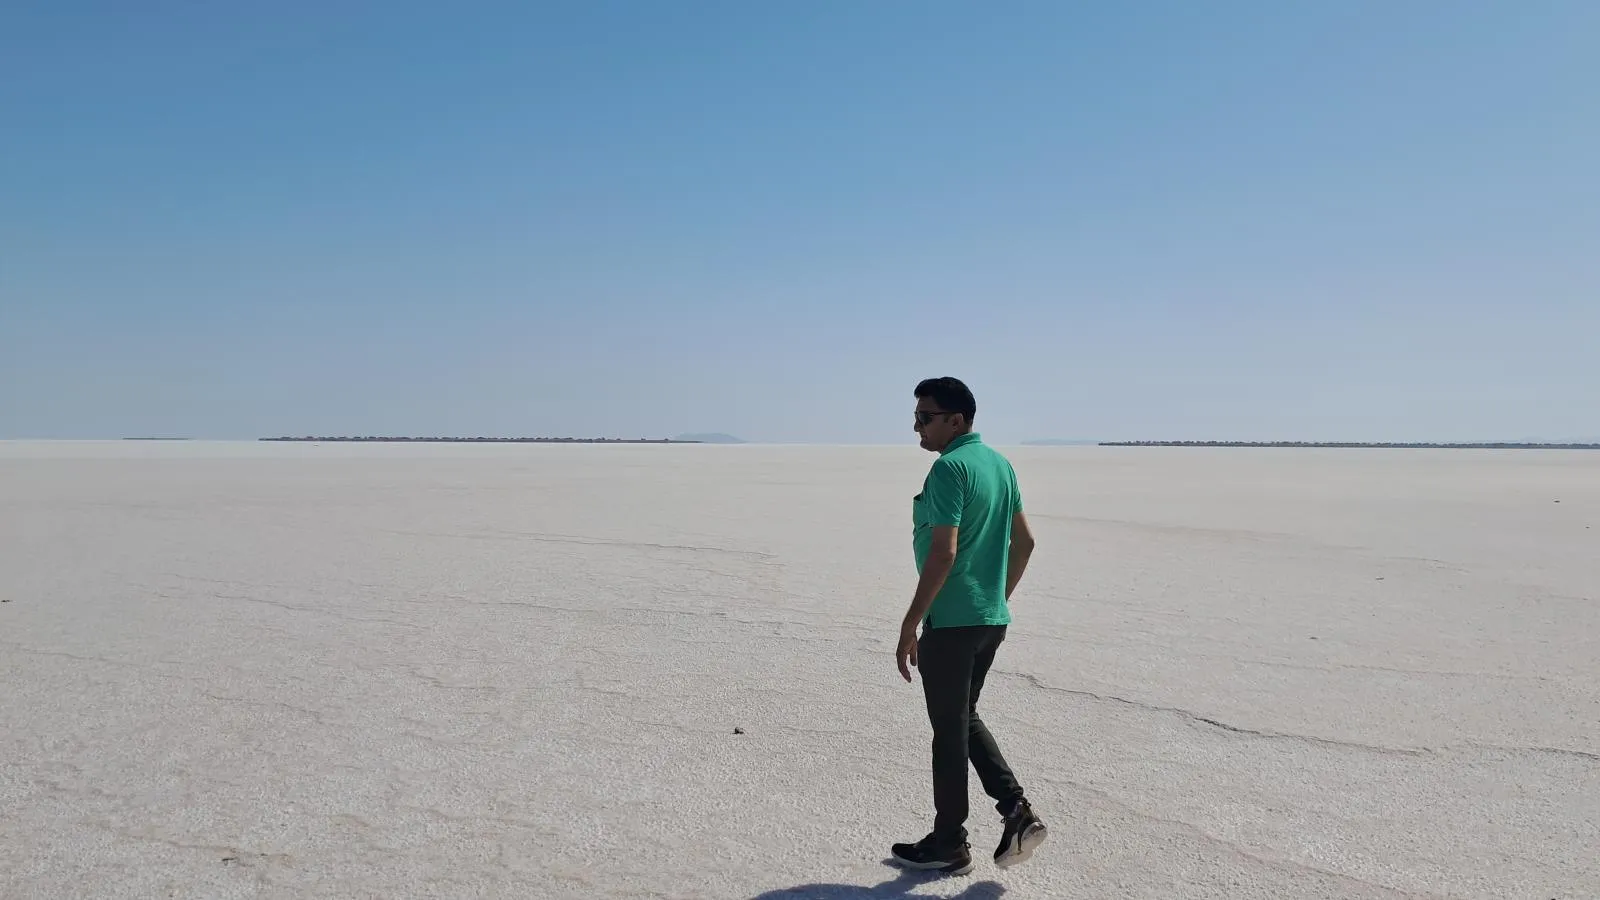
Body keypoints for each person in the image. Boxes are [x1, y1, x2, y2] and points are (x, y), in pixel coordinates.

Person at [890, 376, 1047, 875]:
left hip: (953, 623)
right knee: (962, 718)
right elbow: (1025, 544)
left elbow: (944, 552)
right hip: (987, 622)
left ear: (956, 420)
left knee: (948, 732)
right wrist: (994, 599)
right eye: (915, 416)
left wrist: (910, 624)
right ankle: (1014, 811)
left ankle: (949, 843)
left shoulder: (950, 469)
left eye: (925, 417)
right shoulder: (999, 465)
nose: (917, 427)